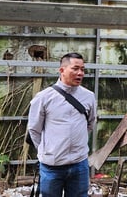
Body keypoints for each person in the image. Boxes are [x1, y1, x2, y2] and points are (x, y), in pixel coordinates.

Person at [27, 52, 97, 197]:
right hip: (51, 166)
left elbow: (90, 124)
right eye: (75, 68)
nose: (80, 73)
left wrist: (78, 144)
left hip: (79, 164)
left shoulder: (89, 96)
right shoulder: (44, 97)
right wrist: (48, 151)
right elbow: (34, 129)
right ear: (62, 70)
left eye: (83, 69)